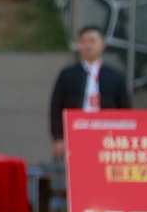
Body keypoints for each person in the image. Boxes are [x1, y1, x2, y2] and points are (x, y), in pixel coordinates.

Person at [49, 25, 132, 157]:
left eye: (92, 41)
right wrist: (58, 137)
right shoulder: (68, 75)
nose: (88, 46)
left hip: (107, 135)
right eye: (84, 41)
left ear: (103, 44)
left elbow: (125, 109)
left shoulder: (115, 76)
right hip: (76, 133)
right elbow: (56, 106)